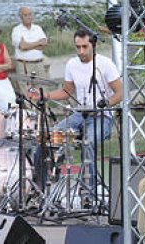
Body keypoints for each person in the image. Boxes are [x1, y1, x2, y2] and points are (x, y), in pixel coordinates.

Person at [28, 28, 122, 199]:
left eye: (84, 47)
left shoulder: (105, 64)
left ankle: (89, 192)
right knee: (48, 136)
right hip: (80, 114)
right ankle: (39, 188)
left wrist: (105, 103)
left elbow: (119, 93)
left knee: (88, 141)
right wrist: (44, 95)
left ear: (92, 45)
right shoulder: (72, 64)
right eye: (77, 47)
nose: (81, 51)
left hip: (102, 116)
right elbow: (66, 91)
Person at [11, 6, 48, 89]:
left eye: (30, 14)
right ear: (21, 17)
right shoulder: (16, 30)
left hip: (39, 64)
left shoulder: (38, 28)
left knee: (43, 91)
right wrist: (37, 43)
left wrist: (28, 45)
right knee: (26, 92)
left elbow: (43, 45)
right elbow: (22, 46)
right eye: (26, 15)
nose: (29, 17)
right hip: (24, 65)